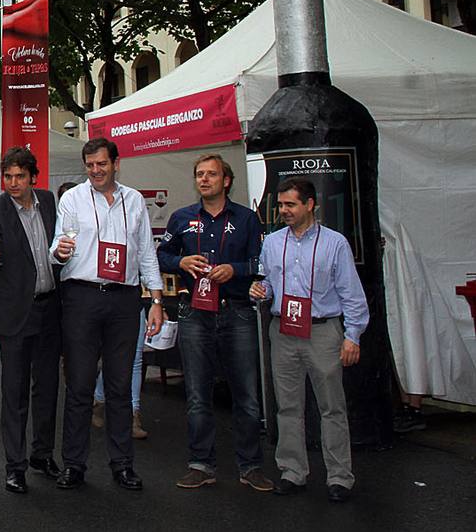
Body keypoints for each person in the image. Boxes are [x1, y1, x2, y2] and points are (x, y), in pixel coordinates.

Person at [51, 137, 164, 491]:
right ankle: (74, 464)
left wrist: (156, 299)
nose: (96, 171)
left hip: (124, 300)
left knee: (119, 387)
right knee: (80, 385)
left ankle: (122, 464)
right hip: (82, 297)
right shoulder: (72, 199)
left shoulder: (134, 201)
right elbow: (57, 248)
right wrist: (61, 250)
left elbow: (146, 251)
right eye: (90, 165)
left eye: (101, 164)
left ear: (116, 163)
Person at [249, 178, 369, 504]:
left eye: (291, 205)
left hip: (323, 332)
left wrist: (352, 336)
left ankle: (340, 477)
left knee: (331, 407)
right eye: (282, 205)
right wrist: (261, 290)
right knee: (287, 406)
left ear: (310, 205)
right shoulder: (272, 243)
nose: (284, 211)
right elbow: (268, 283)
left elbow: (352, 295)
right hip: (283, 330)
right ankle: (292, 472)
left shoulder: (335, 243)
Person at [157, 154, 270, 492]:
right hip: (194, 311)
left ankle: (250, 466)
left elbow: (260, 260)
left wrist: (236, 269)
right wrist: (181, 261)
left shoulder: (248, 219)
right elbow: (161, 255)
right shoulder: (182, 218)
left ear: (227, 180)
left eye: (211, 174)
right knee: (196, 393)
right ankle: (200, 464)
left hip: (235, 310)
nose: (204, 180)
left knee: (247, 394)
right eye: (199, 175)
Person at [0, 147, 62, 494]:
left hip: (50, 309)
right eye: (8, 177)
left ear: (33, 177)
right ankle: (15, 467)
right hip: (14, 313)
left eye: (19, 177)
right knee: (14, 393)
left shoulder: (48, 202)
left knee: (48, 387)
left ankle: (42, 455)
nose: (13, 183)